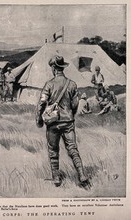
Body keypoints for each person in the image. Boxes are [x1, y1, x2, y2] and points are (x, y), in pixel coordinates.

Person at [35, 55, 91, 189]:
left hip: (53, 123)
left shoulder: (49, 84)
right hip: (68, 122)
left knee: (53, 150)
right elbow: (75, 104)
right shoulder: (72, 84)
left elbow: (42, 103)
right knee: (73, 149)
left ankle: (56, 178)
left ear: (54, 68)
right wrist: (70, 113)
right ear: (62, 68)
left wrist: (39, 119)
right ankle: (82, 175)